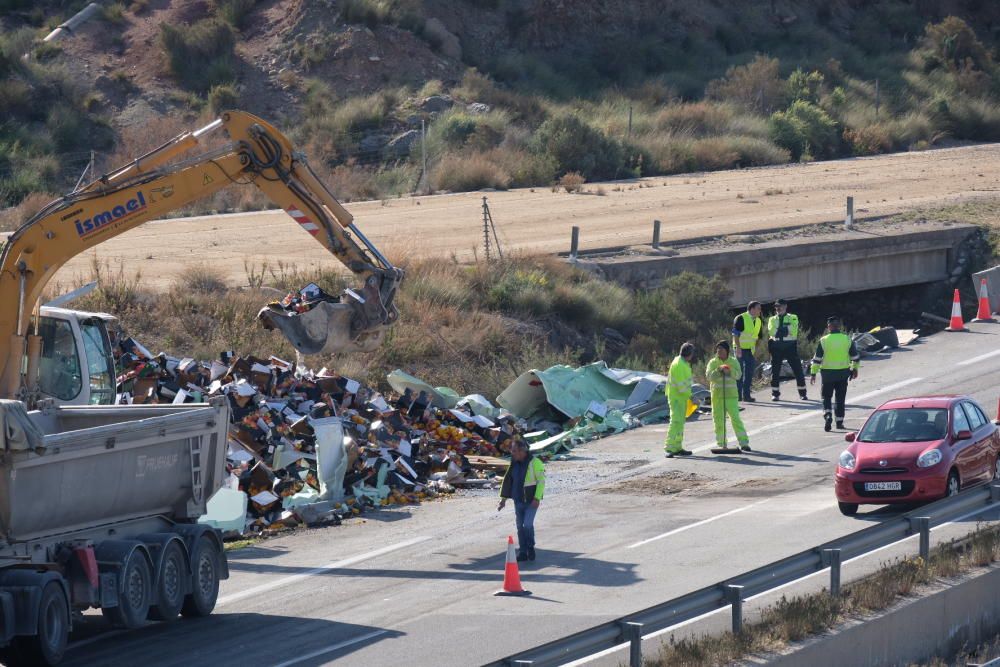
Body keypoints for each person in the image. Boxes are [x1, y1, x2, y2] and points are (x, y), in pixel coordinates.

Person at [810, 316, 861, 432]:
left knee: (826, 397)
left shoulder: (824, 340)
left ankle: (828, 416)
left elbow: (817, 358)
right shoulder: (847, 339)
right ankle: (839, 422)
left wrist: (813, 373)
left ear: (829, 327)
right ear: (839, 326)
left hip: (827, 374)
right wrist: (855, 369)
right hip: (843, 373)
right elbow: (855, 357)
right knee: (840, 398)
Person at [497, 440, 545, 562]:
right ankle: (523, 552)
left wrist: (537, 498)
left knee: (527, 525)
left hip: (531, 501)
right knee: (520, 527)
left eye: (514, 451)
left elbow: (541, 482)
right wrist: (503, 500)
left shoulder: (535, 463)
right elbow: (508, 481)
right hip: (518, 501)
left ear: (522, 451)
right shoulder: (514, 463)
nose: (512, 453)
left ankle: (530, 547)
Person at [706, 341, 750, 452]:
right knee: (718, 420)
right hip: (717, 396)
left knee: (735, 419)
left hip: (731, 396)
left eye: (721, 350)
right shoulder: (713, 362)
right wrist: (718, 370)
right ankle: (722, 443)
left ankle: (744, 442)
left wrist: (729, 371)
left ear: (727, 351)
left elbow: (739, 375)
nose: (719, 352)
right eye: (718, 350)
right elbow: (709, 376)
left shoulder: (733, 361)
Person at [767, 298, 808, 401]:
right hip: (776, 346)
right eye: (776, 307)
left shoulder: (793, 317)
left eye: (779, 306)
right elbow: (771, 332)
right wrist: (786, 329)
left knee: (797, 370)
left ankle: (802, 393)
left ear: (785, 307)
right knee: (775, 371)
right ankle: (775, 393)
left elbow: (794, 331)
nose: (777, 308)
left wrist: (780, 330)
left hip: (790, 346)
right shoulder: (772, 319)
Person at [664, 342, 695, 458]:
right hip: (677, 397)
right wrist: (691, 397)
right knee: (676, 421)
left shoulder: (682, 362)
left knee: (680, 422)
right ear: (690, 354)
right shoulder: (680, 364)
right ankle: (669, 447)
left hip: (680, 397)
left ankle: (677, 447)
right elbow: (682, 387)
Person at [732, 301, 763, 402]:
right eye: (758, 308)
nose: (760, 310)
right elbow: (735, 335)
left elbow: (758, 337)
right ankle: (738, 396)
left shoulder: (758, 321)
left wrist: (757, 349)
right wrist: (738, 348)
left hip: (750, 350)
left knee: (749, 373)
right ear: (752, 309)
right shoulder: (740, 318)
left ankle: (746, 396)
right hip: (740, 349)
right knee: (739, 373)